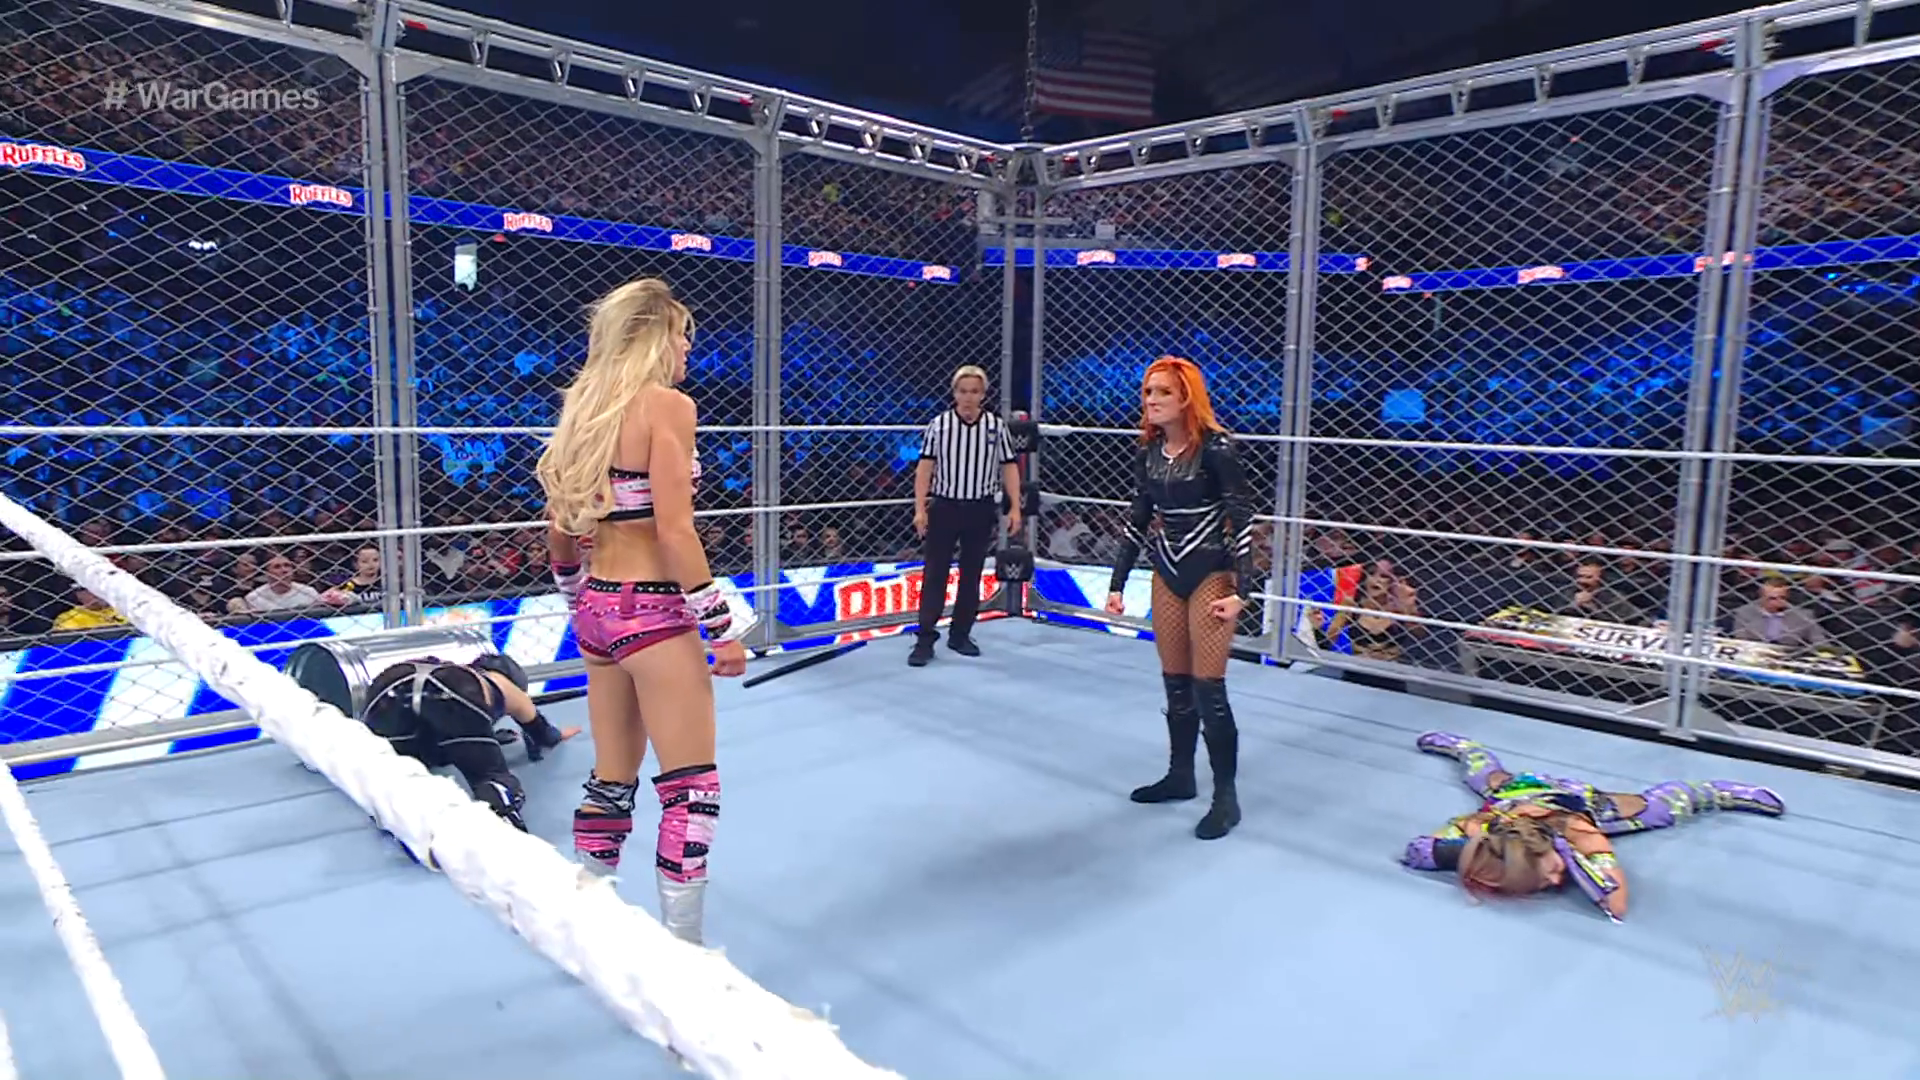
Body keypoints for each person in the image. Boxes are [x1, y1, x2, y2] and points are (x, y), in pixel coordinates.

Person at [535, 277, 753, 946]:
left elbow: (559, 528)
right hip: (655, 612)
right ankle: (683, 953)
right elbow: (675, 532)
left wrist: (579, 600)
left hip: (599, 608)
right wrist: (722, 629)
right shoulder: (668, 407)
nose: (689, 348)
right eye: (683, 335)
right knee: (691, 790)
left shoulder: (584, 406)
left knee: (611, 779)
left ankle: (587, 931)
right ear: (656, 337)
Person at [1103, 356, 1256, 840]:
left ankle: (1226, 798)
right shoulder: (1149, 451)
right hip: (1167, 572)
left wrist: (1244, 592)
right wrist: (1116, 583)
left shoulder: (1217, 448)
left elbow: (1243, 520)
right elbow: (1137, 518)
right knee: (1175, 684)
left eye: (1163, 392)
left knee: (1209, 688)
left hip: (1211, 572)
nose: (1151, 400)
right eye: (1148, 392)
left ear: (1187, 396)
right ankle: (1180, 774)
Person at [1401, 731, 1785, 921]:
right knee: (1485, 777)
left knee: (1658, 809)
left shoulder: (1579, 832)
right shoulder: (1481, 831)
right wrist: (1466, 853)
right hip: (1517, 795)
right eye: (1548, 878)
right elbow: (1417, 851)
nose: (1557, 880)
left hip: (1578, 802)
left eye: (1553, 871)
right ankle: (1465, 749)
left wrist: (1568, 852)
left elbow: (1615, 904)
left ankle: (1717, 792)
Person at [359, 653, 578, 835]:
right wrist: (557, 735)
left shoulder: (460, 672)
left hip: (389, 689)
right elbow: (541, 733)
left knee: (398, 770)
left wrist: (486, 736)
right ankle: (507, 829)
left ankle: (392, 814)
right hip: (449, 692)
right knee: (491, 780)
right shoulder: (500, 683)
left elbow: (437, 723)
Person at [909, 363, 1023, 667]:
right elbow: (925, 468)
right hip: (945, 506)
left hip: (980, 507)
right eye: (963, 391)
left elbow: (1009, 467)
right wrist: (920, 508)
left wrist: (1015, 507)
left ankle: (960, 634)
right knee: (935, 573)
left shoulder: (995, 427)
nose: (968, 397)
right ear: (954, 393)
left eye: (974, 391)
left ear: (983, 394)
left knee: (972, 573)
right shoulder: (939, 425)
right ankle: (924, 638)